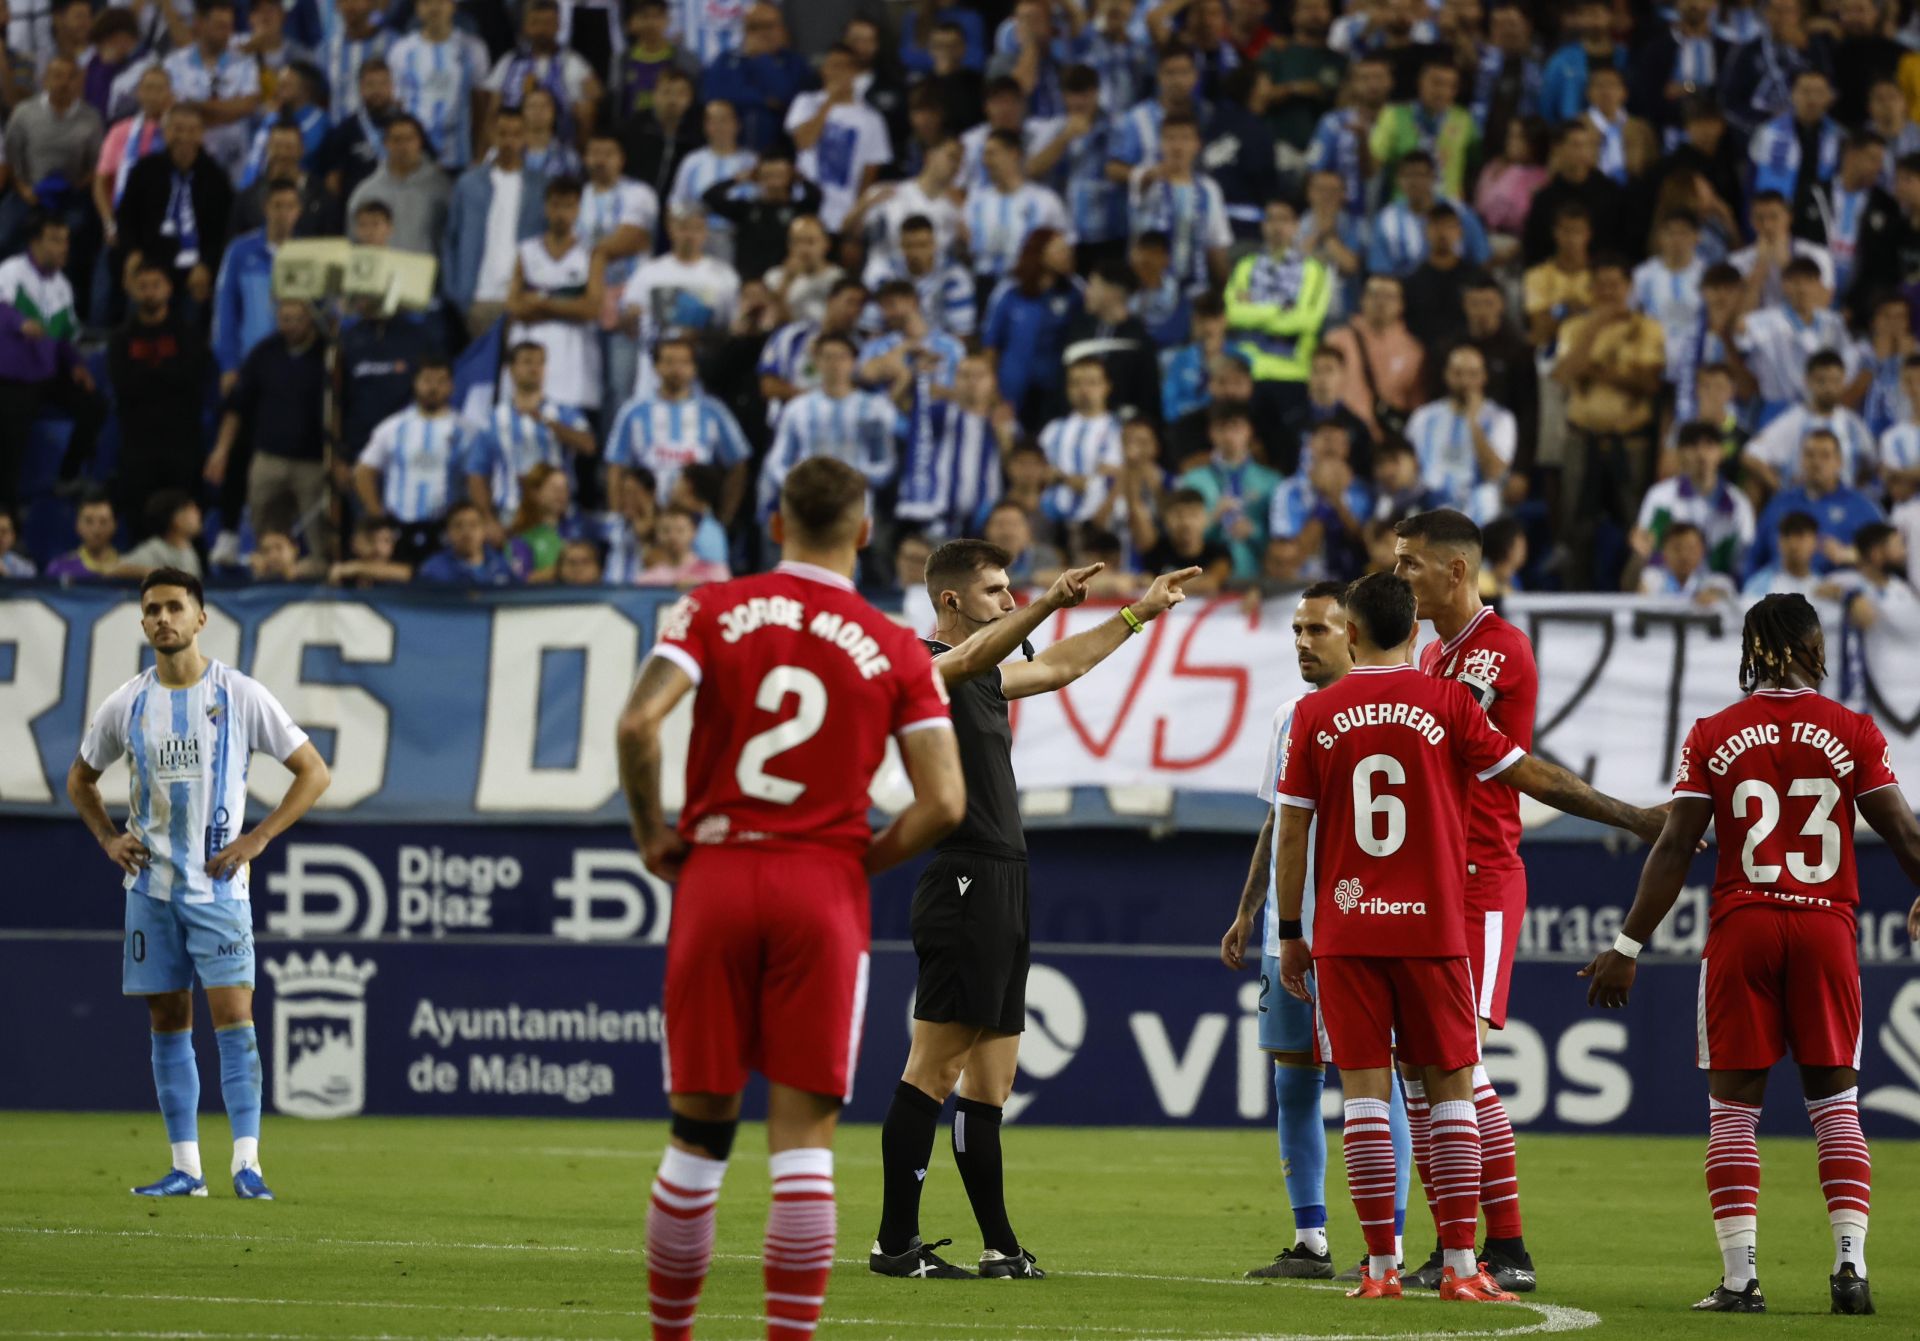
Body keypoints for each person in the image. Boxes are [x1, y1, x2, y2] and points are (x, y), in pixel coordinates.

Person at [619, 455, 964, 1341]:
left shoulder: (709, 607)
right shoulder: (892, 642)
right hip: (822, 883)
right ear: (861, 532)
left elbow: (636, 723)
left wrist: (652, 832)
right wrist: (860, 858)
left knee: (697, 1140)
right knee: (803, 1144)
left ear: (775, 524)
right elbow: (944, 801)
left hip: (718, 875)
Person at [1247, 570, 1662, 1300]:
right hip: (1434, 928)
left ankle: (1378, 1269)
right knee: (1451, 1095)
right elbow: (1534, 777)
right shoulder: (1448, 701)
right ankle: (1466, 1268)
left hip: (1344, 928)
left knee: (1368, 1100)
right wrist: (1632, 816)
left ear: (1350, 631)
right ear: (1416, 632)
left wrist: (1288, 931)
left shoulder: (1316, 714)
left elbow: (1290, 834)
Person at [1582, 593, 1920, 1316]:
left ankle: (1741, 1281)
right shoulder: (1853, 729)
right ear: (1805, 645)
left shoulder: (1713, 732)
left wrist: (1625, 944)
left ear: (1754, 647)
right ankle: (1851, 1270)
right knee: (1837, 1106)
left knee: (1734, 1114)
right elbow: (1904, 833)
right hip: (1826, 928)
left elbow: (1674, 847)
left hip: (1745, 928)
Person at [871, 541, 1196, 1281]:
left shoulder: (984, 672)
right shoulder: (922, 667)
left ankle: (1000, 1246)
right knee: (935, 1066)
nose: (1010, 598)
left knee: (992, 1082)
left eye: (1015, 588)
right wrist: (1049, 602)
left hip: (1003, 878)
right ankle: (894, 1243)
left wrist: (1139, 612)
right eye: (995, 590)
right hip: (961, 879)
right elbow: (987, 651)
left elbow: (1060, 665)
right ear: (951, 600)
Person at [65, 568, 330, 1201]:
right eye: (152, 609)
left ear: (200, 617)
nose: (163, 618)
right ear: (142, 621)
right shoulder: (126, 702)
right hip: (150, 890)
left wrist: (257, 838)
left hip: (219, 891)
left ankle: (248, 1164)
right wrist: (107, 838)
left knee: (234, 1021)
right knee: (168, 1020)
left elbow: (313, 772)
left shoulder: (238, 694)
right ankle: (187, 1168)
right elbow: (80, 779)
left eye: (174, 607)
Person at [1224, 582, 1415, 1280]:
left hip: (1357, 929)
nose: (1303, 642)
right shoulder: (1287, 716)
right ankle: (1311, 1239)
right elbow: (1280, 819)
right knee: (1294, 1082)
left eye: (1318, 630)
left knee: (1376, 1083)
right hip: (1288, 930)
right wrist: (1250, 909)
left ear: (1354, 634)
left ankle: (1383, 1241)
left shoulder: (1396, 713)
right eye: (1297, 629)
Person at [206, 297, 329, 563]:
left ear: (311, 320)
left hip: (313, 462)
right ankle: (267, 584)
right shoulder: (264, 353)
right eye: (285, 319)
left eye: (297, 319)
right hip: (268, 458)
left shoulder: (327, 355)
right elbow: (236, 406)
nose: (291, 326)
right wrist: (221, 450)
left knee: (319, 535)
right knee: (265, 530)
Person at [0, 211, 103, 510]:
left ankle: (67, 477)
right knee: (11, 448)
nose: (64, 247)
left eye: (66, 241)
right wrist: (20, 323)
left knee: (94, 406)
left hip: (47, 374)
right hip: (12, 378)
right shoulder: (11, 270)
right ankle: (9, 518)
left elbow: (64, 338)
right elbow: (2, 309)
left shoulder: (63, 286)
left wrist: (76, 365)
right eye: (55, 240)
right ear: (35, 242)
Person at [605, 335, 752, 517]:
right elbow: (616, 468)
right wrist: (617, 517)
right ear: (656, 367)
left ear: (694, 368)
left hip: (696, 519)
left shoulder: (714, 412)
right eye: (669, 362)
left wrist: (723, 520)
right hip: (646, 517)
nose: (677, 369)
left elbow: (739, 465)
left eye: (684, 362)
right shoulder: (633, 411)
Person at [354, 356, 480, 562]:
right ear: (416, 383)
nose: (434, 388)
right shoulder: (393, 427)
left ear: (451, 386)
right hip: (400, 527)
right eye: (428, 380)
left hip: (446, 530)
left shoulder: (467, 432)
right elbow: (364, 470)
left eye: (441, 381)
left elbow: (477, 479)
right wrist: (376, 512)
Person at [758, 333, 898, 518]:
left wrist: (857, 480)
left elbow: (885, 461)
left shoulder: (875, 408)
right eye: (828, 357)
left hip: (856, 508)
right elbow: (777, 461)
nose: (835, 364)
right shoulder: (798, 408)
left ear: (854, 361)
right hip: (808, 507)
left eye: (842, 357)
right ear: (817, 362)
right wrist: (802, 485)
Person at [441, 106, 546, 337]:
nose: (509, 141)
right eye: (502, 133)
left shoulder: (541, 187)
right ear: (491, 135)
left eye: (516, 134)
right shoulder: (467, 185)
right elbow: (451, 240)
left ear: (527, 136)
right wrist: (457, 293)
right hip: (478, 298)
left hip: (521, 299)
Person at [505, 176, 605, 415]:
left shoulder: (592, 253)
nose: (562, 213)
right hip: (530, 342)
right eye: (556, 205)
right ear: (546, 207)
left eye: (569, 206)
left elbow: (591, 309)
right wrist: (570, 305)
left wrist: (541, 303)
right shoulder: (526, 251)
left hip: (573, 350)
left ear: (578, 209)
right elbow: (514, 307)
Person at [1225, 197, 1332, 393]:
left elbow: (1309, 321)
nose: (1277, 226)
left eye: (1284, 220)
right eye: (1271, 219)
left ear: (1296, 226)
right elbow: (1232, 314)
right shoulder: (1245, 266)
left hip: (1293, 371)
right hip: (1247, 368)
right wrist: (1280, 308)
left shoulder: (1314, 271)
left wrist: (1255, 308)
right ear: (1263, 226)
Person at [785, 43, 891, 233]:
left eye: (845, 66)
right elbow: (804, 142)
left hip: (845, 214)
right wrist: (829, 102)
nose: (839, 72)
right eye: (833, 65)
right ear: (823, 70)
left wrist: (858, 218)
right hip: (806, 209)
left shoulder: (872, 119)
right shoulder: (805, 102)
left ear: (855, 72)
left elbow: (869, 175)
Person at [1404, 348, 1516, 525]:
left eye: (1472, 374)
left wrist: (1473, 422)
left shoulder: (1500, 419)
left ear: (1484, 377)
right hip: (1428, 509)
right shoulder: (1423, 418)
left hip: (1477, 512)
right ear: (1446, 375)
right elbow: (1408, 469)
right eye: (1458, 373)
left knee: (1487, 498)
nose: (1465, 381)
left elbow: (1495, 473)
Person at [1749, 430, 1884, 576]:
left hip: (1836, 592)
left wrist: (1850, 554)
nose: (1816, 462)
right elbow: (1754, 558)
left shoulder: (1861, 508)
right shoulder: (1780, 504)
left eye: (1825, 456)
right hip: (1781, 591)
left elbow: (1887, 555)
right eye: (1809, 455)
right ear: (1801, 460)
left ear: (1839, 462)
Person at [211, 180, 302, 393]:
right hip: (249, 362)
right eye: (277, 205)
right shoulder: (240, 252)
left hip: (294, 363)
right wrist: (228, 365)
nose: (283, 213)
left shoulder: (307, 255)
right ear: (265, 208)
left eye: (290, 206)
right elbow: (225, 311)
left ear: (299, 211)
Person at [1635, 421, 1758, 578]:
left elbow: (1744, 558)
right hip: (1667, 586)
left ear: (1721, 453)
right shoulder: (1660, 496)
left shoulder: (1738, 503)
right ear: (1680, 453)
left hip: (1717, 589)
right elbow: (1645, 547)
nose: (1701, 454)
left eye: (1709, 445)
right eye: (1693, 446)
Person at [1744, 349, 1876, 492]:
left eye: (1835, 381)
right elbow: (1751, 456)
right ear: (1808, 381)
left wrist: (1853, 491)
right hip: (1804, 506)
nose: (1829, 388)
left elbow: (1872, 464)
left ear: (1843, 382)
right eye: (1821, 381)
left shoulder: (1853, 424)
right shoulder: (1793, 421)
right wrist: (1783, 490)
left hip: (1843, 505)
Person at [160, 0, 259, 180]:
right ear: (199, 22)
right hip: (186, 160)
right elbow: (172, 109)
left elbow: (246, 106)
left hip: (234, 163)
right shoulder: (174, 63)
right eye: (220, 26)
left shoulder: (245, 62)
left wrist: (195, 107)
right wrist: (226, 110)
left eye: (229, 26)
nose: (227, 33)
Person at [388, 0, 491, 172]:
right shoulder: (401, 51)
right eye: (427, 3)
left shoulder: (473, 48)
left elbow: (481, 107)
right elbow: (397, 106)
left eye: (441, 2)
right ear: (418, 8)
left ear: (453, 6)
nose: (434, 8)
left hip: (459, 156)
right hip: (414, 159)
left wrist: (480, 153)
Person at [416, 498, 518, 586]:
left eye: (473, 525)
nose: (466, 532)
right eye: (458, 525)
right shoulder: (434, 569)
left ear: (484, 531)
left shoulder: (501, 564)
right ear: (448, 532)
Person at [634, 503, 728, 586]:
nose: (673, 537)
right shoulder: (647, 580)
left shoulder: (715, 572)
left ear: (694, 532)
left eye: (680, 530)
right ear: (657, 535)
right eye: (666, 531)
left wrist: (700, 586)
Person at [44, 491, 118, 579]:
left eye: (103, 522)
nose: (96, 530)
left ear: (114, 525)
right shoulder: (58, 569)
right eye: (89, 521)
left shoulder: (130, 567)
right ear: (78, 525)